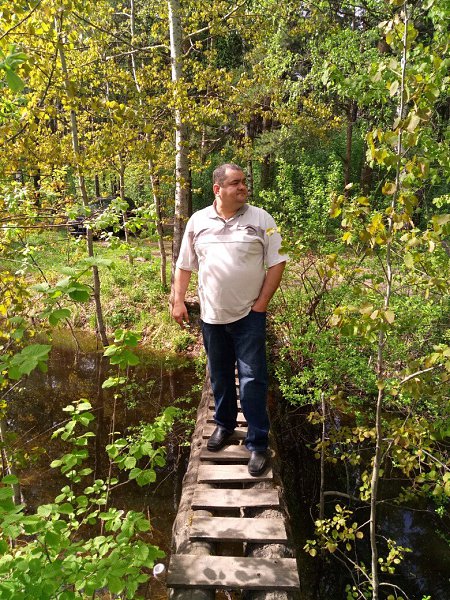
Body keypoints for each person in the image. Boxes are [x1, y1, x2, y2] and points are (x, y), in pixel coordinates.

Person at [171, 163, 287, 476]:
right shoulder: (198, 221)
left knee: (252, 380)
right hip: (211, 316)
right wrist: (178, 300)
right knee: (220, 376)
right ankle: (224, 425)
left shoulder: (261, 219)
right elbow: (184, 265)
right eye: (235, 183)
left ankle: (257, 443)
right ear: (217, 189)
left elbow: (277, 263)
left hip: (249, 315)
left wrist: (261, 305)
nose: (243, 187)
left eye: (244, 181)